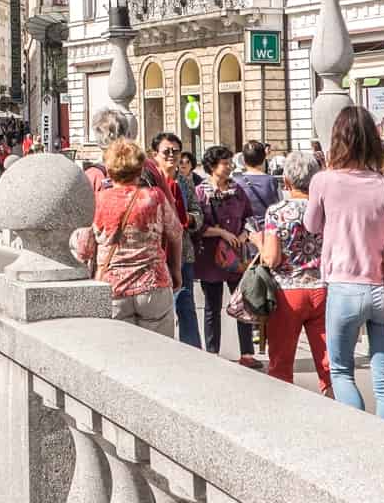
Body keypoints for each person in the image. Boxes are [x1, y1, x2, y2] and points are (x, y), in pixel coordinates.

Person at [304, 106, 384, 422]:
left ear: (337, 140)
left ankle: (360, 439)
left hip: (344, 286)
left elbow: (311, 225)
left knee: (341, 370)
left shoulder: (324, 181)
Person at [71, 138, 182, 334]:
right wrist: (176, 270)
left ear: (110, 170)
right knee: (159, 354)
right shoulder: (154, 197)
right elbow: (176, 233)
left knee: (119, 354)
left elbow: (84, 249)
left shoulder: (98, 201)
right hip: (154, 284)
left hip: (112, 289)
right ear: (140, 169)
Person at [258, 156, 330, 392]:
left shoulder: (277, 212)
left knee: (281, 362)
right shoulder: (327, 208)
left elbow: (271, 258)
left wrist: (258, 243)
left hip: (287, 292)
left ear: (286, 181)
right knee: (329, 364)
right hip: (323, 289)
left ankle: (284, 412)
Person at [194, 146, 257, 363]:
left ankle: (247, 353)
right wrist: (221, 232)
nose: (230, 166)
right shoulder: (200, 192)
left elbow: (250, 218)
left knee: (242, 302)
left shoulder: (237, 190)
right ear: (212, 166)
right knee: (212, 306)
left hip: (236, 257)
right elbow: (197, 226)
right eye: (225, 163)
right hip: (210, 257)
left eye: (231, 162)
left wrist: (242, 235)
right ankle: (212, 352)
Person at [150, 133, 201, 348]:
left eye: (176, 151)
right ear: (155, 154)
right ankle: (165, 347)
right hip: (157, 253)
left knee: (186, 304)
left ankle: (193, 350)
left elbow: (198, 214)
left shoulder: (185, 182)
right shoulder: (149, 182)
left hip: (183, 252)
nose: (172, 155)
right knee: (160, 306)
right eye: (166, 151)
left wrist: (186, 219)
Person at [235, 140, 281, 230]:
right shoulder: (272, 181)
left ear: (244, 159)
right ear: (264, 158)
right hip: (268, 229)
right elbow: (279, 204)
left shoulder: (236, 181)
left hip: (244, 230)